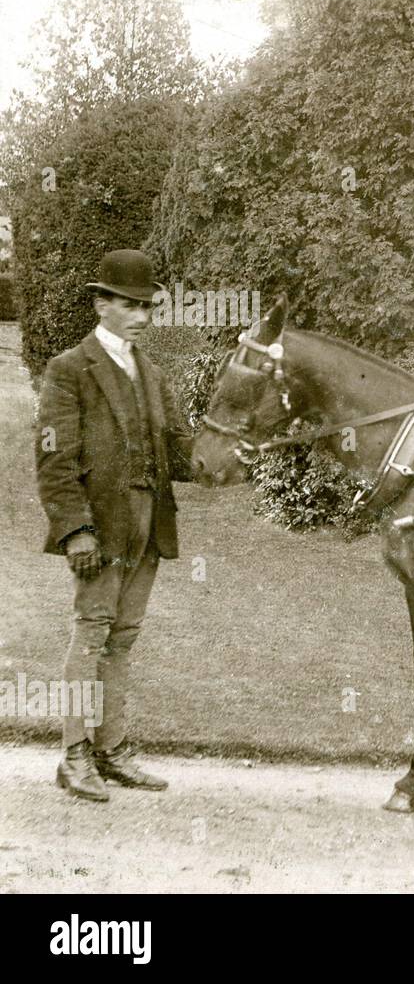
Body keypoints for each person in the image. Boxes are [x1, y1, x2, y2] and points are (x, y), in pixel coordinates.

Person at [35, 249, 193, 802]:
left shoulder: (150, 371)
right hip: (99, 528)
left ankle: (113, 749)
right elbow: (54, 461)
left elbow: (177, 455)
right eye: (129, 305)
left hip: (149, 525)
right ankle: (75, 755)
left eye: (147, 305)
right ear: (101, 305)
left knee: (122, 639)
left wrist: (232, 450)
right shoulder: (69, 369)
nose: (142, 316)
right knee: (92, 632)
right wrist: (74, 529)